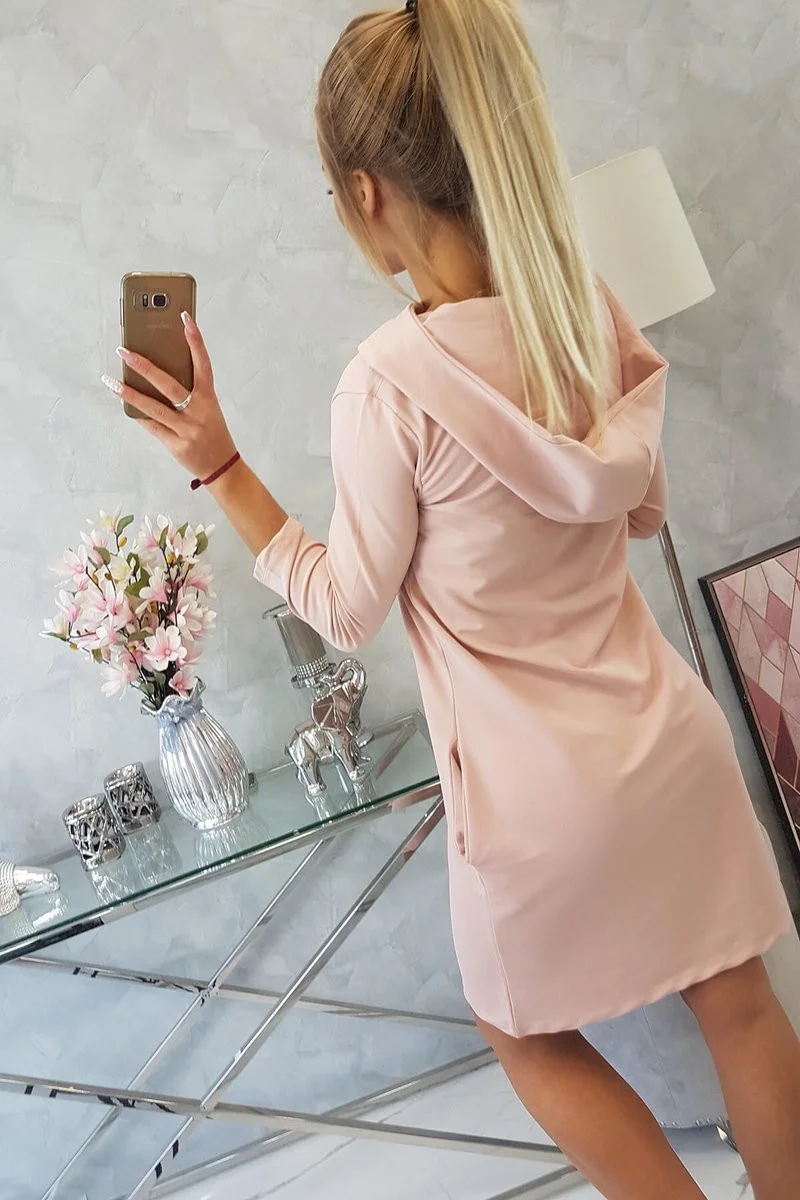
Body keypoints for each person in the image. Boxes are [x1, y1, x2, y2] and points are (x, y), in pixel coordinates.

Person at [101, 1, 800, 1196]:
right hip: (664, 742)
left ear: (365, 193)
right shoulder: (581, 308)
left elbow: (345, 608)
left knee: (522, 1034)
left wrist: (220, 467)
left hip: (537, 802)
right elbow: (638, 507)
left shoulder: (389, 384)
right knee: (738, 1003)